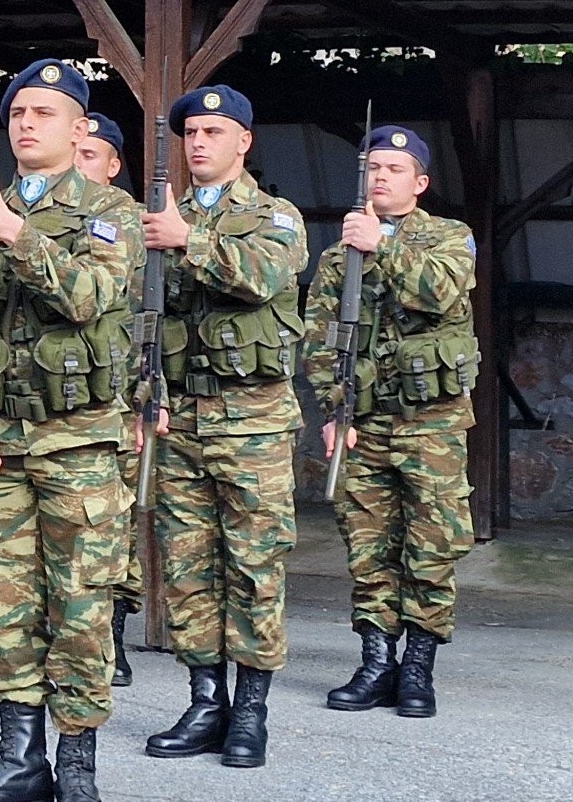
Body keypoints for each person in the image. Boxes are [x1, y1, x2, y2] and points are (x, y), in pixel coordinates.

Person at [0, 62, 141, 802]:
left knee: (82, 610)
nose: (27, 123)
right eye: (18, 111)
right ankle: (19, 759)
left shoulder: (109, 211)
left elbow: (91, 296)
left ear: (80, 127)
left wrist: (15, 233)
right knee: (7, 608)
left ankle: (78, 768)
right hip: (0, 440)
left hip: (79, 443)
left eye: (45, 113)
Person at [140, 84, 306, 769]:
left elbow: (265, 276)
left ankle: (251, 710)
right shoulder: (160, 218)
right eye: (192, 132)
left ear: (244, 141)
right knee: (188, 570)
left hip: (254, 424)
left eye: (215, 131)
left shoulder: (276, 216)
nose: (200, 141)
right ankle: (206, 699)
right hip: (182, 421)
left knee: (255, 569)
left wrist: (189, 239)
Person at [301, 125, 478, 720]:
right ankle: (376, 662)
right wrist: (333, 409)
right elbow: (322, 339)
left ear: (420, 183)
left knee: (431, 546)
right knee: (369, 547)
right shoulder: (337, 253)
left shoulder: (450, 238)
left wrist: (384, 247)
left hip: (431, 425)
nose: (380, 177)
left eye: (394, 169)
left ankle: (418, 669)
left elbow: (442, 291)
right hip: (365, 424)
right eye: (372, 168)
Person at [73, 110, 143, 688]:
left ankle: (113, 628)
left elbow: (151, 323)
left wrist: (148, 399)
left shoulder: (127, 225)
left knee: (115, 523)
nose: (79, 162)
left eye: (90, 154)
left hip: (122, 395)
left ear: (114, 166)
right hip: (75, 397)